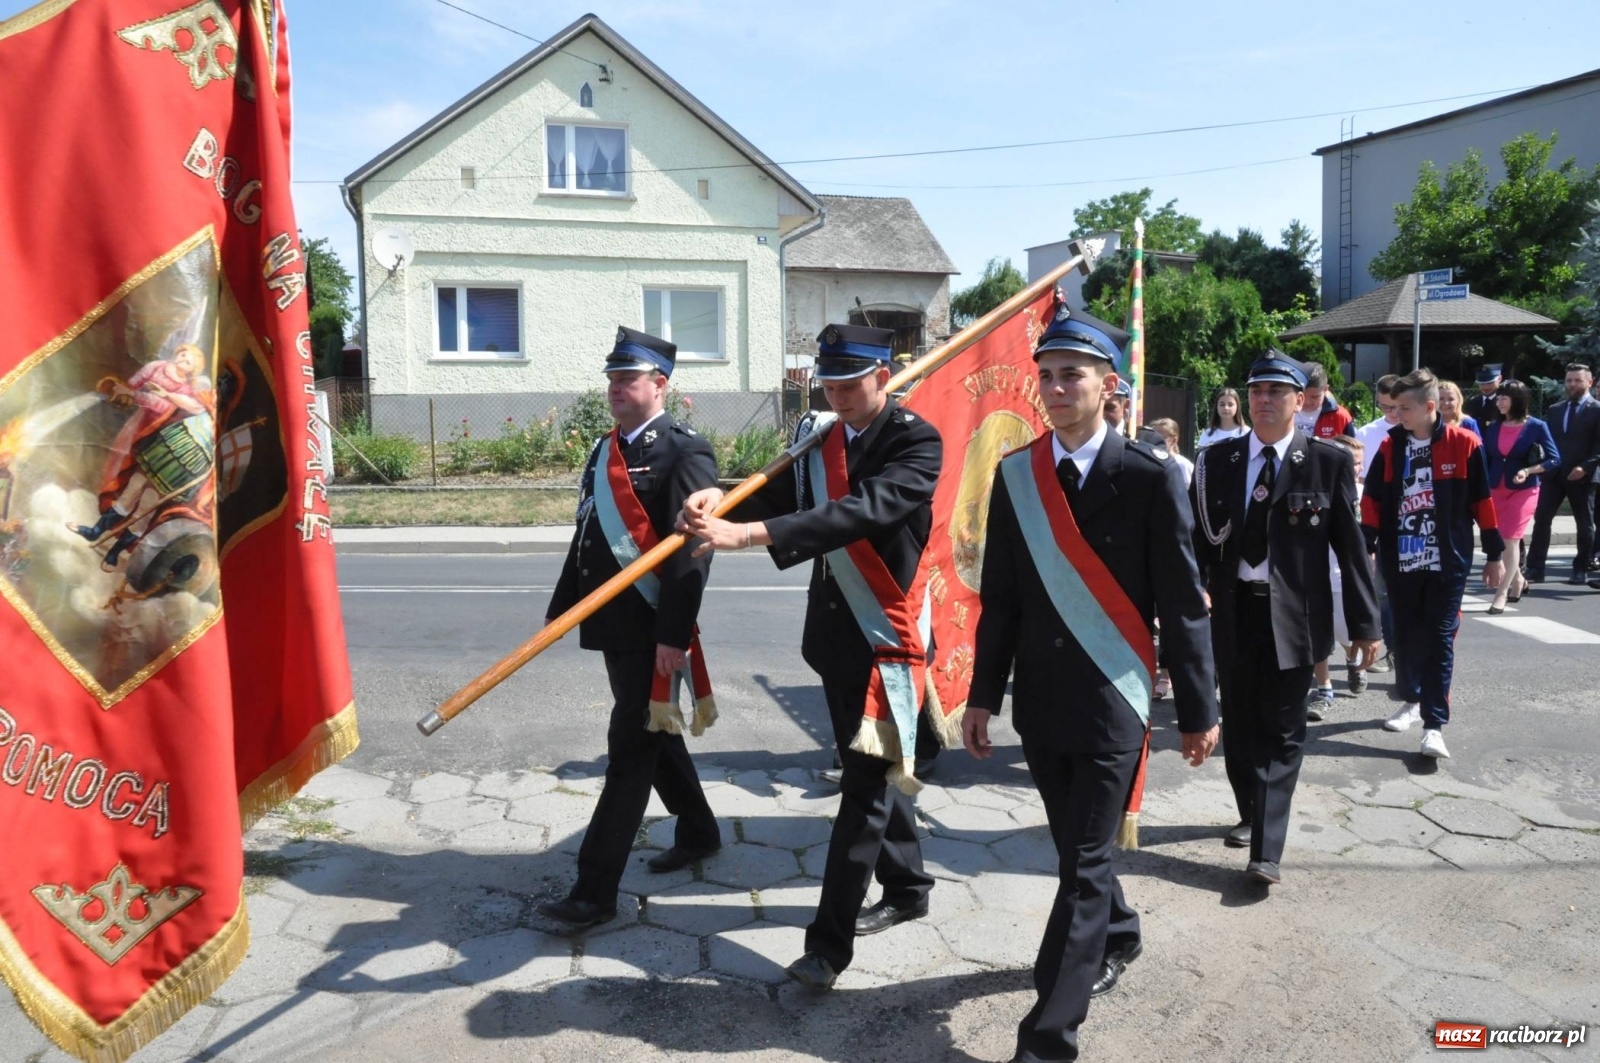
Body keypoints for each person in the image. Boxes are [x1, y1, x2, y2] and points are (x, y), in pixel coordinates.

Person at [964, 306, 1218, 1063]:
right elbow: (1002, 598)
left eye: (1070, 374)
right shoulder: (1017, 476)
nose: (1053, 386)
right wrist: (982, 696)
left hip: (1114, 700)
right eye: (1044, 375)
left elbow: (1182, 599)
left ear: (1108, 386)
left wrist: (1199, 709)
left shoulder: (1147, 476)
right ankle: (1123, 931)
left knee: (1081, 867)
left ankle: (1047, 1037)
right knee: (1083, 854)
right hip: (1042, 704)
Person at [679, 323, 941, 992]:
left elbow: (857, 512)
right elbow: (786, 494)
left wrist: (744, 533)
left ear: (886, 374)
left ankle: (827, 947)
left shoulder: (916, 442)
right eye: (829, 380)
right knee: (876, 776)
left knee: (863, 792)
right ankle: (908, 886)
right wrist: (723, 496)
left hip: (889, 644)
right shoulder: (823, 438)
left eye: (852, 381)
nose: (839, 393)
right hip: (836, 640)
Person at [536, 327, 723, 931]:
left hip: (651, 631)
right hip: (615, 629)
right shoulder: (605, 448)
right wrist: (562, 610)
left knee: (630, 753)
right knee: (653, 732)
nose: (616, 388)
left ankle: (594, 892)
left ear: (660, 384)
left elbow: (692, 554)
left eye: (628, 379)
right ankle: (698, 831)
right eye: (612, 378)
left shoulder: (684, 451)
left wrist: (674, 634)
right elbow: (588, 534)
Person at [1191, 351, 1380, 884]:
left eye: (1277, 392)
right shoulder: (1216, 461)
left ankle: (1266, 850)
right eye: (1256, 392)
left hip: (1294, 617)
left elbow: (1350, 547)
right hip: (1232, 612)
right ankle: (1251, 811)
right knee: (1243, 725)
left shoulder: (1327, 460)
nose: (1264, 400)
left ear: (1301, 401)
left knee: (1284, 729)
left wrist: (1365, 624)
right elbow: (1194, 544)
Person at [1363, 369, 1505, 760]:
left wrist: (1493, 554)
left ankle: (1433, 725)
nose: (1396, 415)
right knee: (1405, 638)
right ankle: (1410, 701)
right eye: (1393, 408)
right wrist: (1367, 543)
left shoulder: (1464, 443)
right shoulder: (1392, 447)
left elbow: (1482, 503)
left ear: (1429, 407)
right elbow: (1373, 499)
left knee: (1440, 640)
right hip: (1401, 560)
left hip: (1447, 561)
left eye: (1404, 408)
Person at [1482, 379, 1558, 613]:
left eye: (1504, 397)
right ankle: (1518, 581)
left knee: (1511, 539)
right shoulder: (1494, 426)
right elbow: (1487, 457)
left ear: (1518, 400)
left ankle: (1501, 593)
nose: (1499, 401)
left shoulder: (1536, 426)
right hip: (1496, 488)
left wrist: (1528, 470)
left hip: (1523, 490)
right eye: (1499, 397)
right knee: (1500, 537)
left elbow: (1554, 459)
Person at [1525, 363, 1600, 585]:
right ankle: (1535, 568)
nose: (1572, 384)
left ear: (1590, 382)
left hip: (1582, 476)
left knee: (1584, 524)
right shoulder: (1556, 409)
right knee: (1542, 520)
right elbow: (1549, 442)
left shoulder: (1597, 410)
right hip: (1554, 475)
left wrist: (1585, 467)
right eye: (1569, 380)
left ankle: (1580, 569)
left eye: (1577, 380)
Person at [1354, 375, 1402, 673]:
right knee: (1381, 591)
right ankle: (1392, 649)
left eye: (1395, 407)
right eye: (1384, 407)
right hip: (1379, 522)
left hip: (1409, 521)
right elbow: (1360, 478)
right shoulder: (1368, 432)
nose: (1391, 415)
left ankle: (1408, 649)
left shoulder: (1415, 429)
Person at [1297, 363, 1355, 440]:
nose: (1307, 402)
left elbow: (1353, 449)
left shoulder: (1340, 417)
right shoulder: (1282, 410)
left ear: (1325, 389)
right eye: (1302, 396)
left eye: (1314, 397)